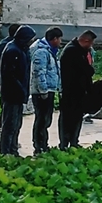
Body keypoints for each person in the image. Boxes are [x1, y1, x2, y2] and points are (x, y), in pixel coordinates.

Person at [0, 24, 35, 157]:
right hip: (12, 94)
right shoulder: (12, 50)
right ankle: (5, 151)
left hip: (19, 93)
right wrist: (20, 90)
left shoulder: (22, 50)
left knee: (16, 124)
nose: (32, 42)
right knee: (9, 124)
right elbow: (9, 75)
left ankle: (13, 149)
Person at [58, 30, 97, 150]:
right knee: (68, 118)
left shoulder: (79, 50)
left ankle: (74, 141)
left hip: (79, 91)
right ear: (85, 41)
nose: (91, 47)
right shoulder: (72, 51)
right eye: (90, 43)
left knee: (77, 117)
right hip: (70, 91)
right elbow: (88, 70)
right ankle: (65, 143)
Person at [28, 26, 64, 154]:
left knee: (46, 119)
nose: (60, 41)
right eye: (59, 39)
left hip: (49, 89)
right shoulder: (42, 52)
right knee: (42, 119)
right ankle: (39, 145)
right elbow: (39, 72)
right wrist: (43, 90)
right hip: (42, 92)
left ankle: (43, 143)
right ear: (54, 39)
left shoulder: (51, 51)